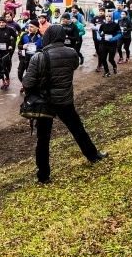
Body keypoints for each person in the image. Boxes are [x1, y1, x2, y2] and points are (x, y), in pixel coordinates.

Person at [21, 25, 109, 184]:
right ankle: (93, 155)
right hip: (65, 100)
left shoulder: (39, 57)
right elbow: (73, 67)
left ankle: (44, 175)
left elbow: (28, 82)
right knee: (77, 129)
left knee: (43, 139)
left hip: (45, 103)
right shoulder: (71, 53)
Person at [0, 16, 18, 89]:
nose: (1, 24)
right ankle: (3, 80)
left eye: (3, 22)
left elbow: (15, 37)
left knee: (3, 67)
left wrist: (11, 45)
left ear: (5, 23)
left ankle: (7, 79)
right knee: (0, 67)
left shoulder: (9, 29)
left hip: (6, 52)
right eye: (0, 22)